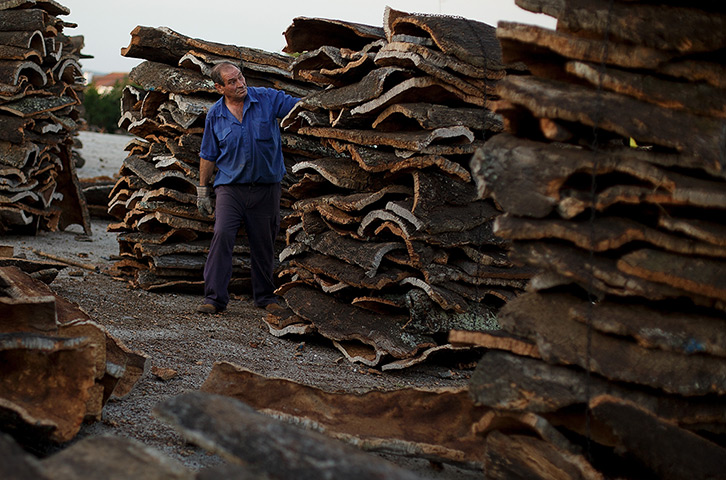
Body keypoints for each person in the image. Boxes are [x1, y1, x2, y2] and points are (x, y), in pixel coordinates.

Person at [196, 61, 299, 314]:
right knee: (222, 235)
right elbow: (208, 154)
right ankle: (214, 299)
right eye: (232, 82)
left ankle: (265, 298)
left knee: (264, 243)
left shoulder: (267, 99)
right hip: (230, 188)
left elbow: (299, 106)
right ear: (220, 87)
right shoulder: (215, 115)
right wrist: (202, 190)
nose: (240, 84)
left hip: (266, 187)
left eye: (240, 77)